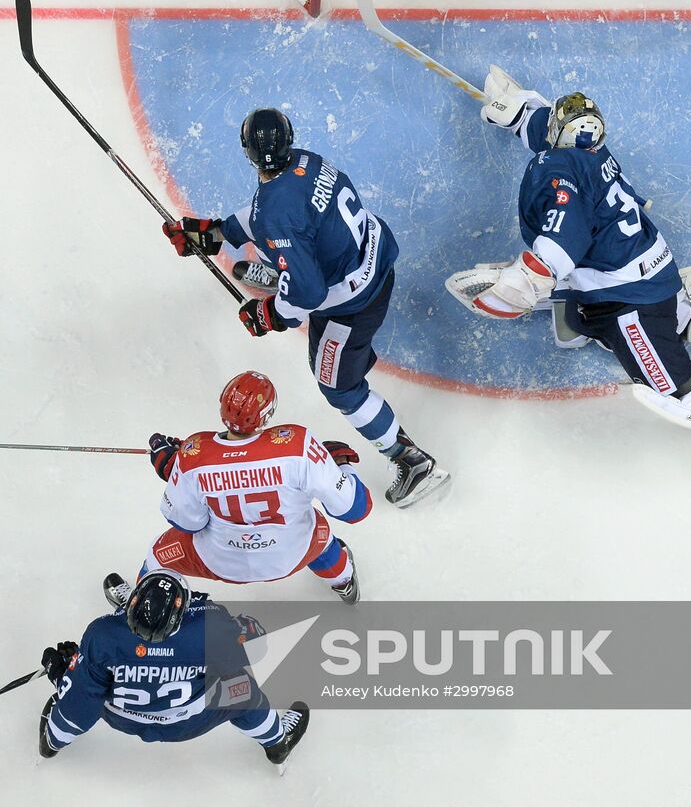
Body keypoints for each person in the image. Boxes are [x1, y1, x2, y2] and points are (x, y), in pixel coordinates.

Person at [446, 67, 691, 441]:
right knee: (573, 322)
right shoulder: (593, 150)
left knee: (678, 389)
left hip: (628, 301)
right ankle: (677, 309)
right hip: (647, 268)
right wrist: (519, 111)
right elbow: (553, 126)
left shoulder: (558, 168)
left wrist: (530, 278)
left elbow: (568, 229)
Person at [161, 108, 449, 508]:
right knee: (289, 245)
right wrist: (218, 233)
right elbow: (277, 215)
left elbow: (308, 297)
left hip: (350, 302)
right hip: (373, 254)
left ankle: (411, 460)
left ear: (245, 150)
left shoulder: (276, 215)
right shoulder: (305, 161)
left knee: (338, 385)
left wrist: (271, 314)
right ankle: (283, 272)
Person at [38, 568, 309, 769]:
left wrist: (62, 670)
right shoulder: (210, 624)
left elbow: (80, 707)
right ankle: (277, 743)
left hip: (122, 718)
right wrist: (239, 627)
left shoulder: (103, 633)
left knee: (84, 682)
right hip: (192, 720)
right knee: (243, 692)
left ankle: (52, 743)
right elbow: (251, 636)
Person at [142, 370, 374, 603]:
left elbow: (187, 522)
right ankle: (343, 581)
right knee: (320, 535)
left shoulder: (194, 452)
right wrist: (341, 465)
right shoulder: (297, 443)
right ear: (267, 414)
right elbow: (355, 509)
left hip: (220, 562)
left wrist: (177, 468)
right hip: (293, 555)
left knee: (156, 556)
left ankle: (139, 606)